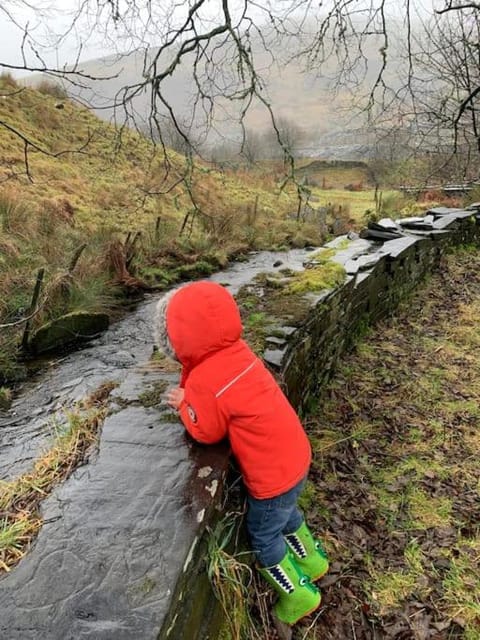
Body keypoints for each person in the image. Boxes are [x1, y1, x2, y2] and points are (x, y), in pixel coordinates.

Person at [153, 280, 329, 627]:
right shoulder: (238, 351)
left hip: (272, 476)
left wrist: (184, 403)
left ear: (179, 338)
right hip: (295, 456)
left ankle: (298, 595)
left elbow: (206, 430)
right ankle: (312, 561)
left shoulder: (206, 378)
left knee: (264, 535)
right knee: (286, 513)